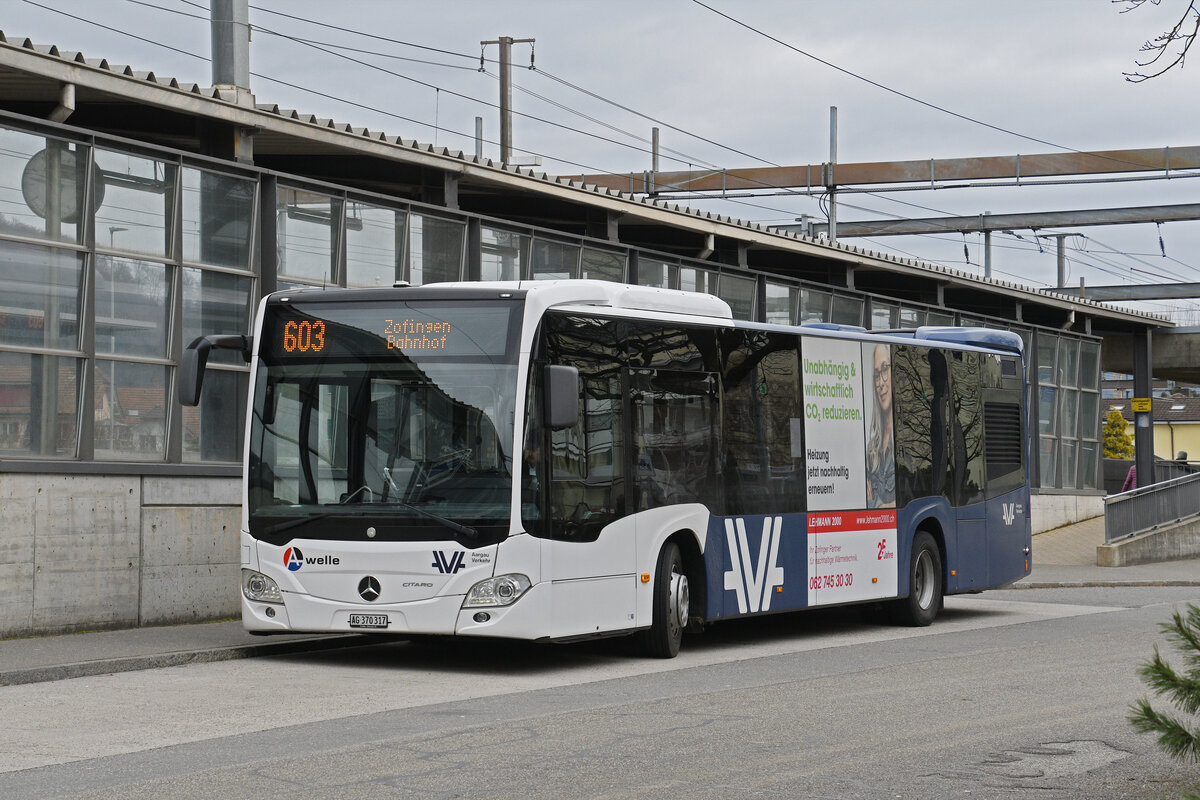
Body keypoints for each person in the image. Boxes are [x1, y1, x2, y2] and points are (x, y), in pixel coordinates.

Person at [866, 343, 896, 508]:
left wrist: (882, 506)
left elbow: (919, 497)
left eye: (885, 369)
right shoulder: (872, 449)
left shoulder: (907, 442)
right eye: (877, 375)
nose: (881, 383)